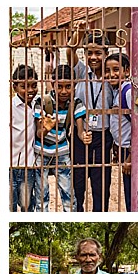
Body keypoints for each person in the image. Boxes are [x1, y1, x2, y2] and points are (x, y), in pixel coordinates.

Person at [67, 29, 114, 212]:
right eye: (89, 53)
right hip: (80, 135)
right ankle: (77, 211)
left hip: (103, 136)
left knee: (100, 182)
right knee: (78, 182)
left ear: (106, 54)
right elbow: (70, 52)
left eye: (98, 53)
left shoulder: (112, 76)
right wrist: (76, 37)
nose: (93, 57)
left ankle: (99, 212)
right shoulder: (81, 72)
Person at [33, 65, 91, 212]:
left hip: (62, 153)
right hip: (41, 153)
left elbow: (79, 131)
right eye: (60, 87)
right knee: (42, 195)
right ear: (53, 84)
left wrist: (84, 136)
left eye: (68, 86)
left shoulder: (76, 103)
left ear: (74, 85)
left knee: (68, 196)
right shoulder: (43, 102)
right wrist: (46, 129)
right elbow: (39, 133)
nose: (64, 91)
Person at [105, 52, 133, 212]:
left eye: (116, 69)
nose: (111, 75)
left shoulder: (128, 92)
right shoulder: (117, 90)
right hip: (122, 149)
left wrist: (130, 156)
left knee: (132, 192)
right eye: (107, 71)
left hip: (131, 152)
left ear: (127, 70)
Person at [11, 64, 39, 212]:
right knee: (10, 206)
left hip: (28, 166)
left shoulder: (38, 105)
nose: (30, 90)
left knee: (26, 206)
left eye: (34, 85)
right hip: (11, 165)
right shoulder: (10, 108)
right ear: (15, 87)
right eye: (24, 86)